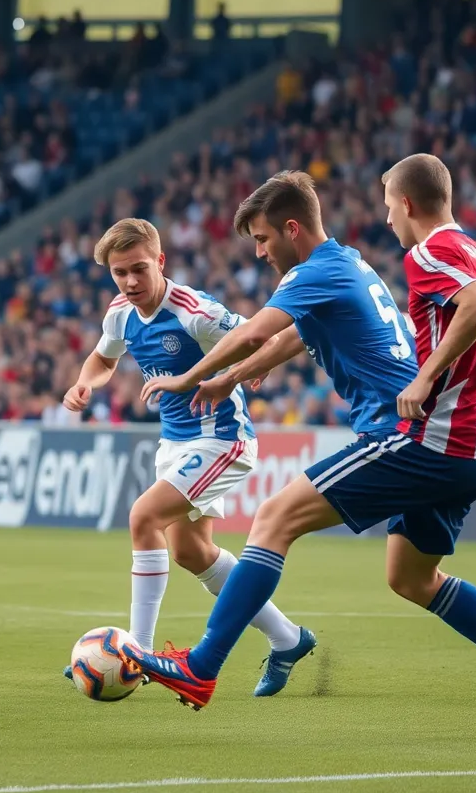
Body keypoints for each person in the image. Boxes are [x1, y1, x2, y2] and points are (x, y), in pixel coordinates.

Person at [135, 163, 476, 740]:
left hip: (419, 435)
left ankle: (202, 668)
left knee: (274, 518)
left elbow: (254, 330)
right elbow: (298, 334)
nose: (259, 252)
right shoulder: (446, 256)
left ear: (293, 229)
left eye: (263, 239)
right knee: (412, 577)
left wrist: (189, 377)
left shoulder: (410, 255)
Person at [59, 218, 313, 697]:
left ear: (160, 261)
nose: (130, 282)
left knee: (143, 516)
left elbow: (263, 334)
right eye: (119, 273)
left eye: (139, 269)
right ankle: (288, 638)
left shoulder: (195, 311)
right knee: (192, 553)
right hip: (175, 443)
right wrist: (84, 383)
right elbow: (103, 359)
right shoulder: (120, 313)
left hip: (221, 438)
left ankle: (136, 654)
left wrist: (252, 366)